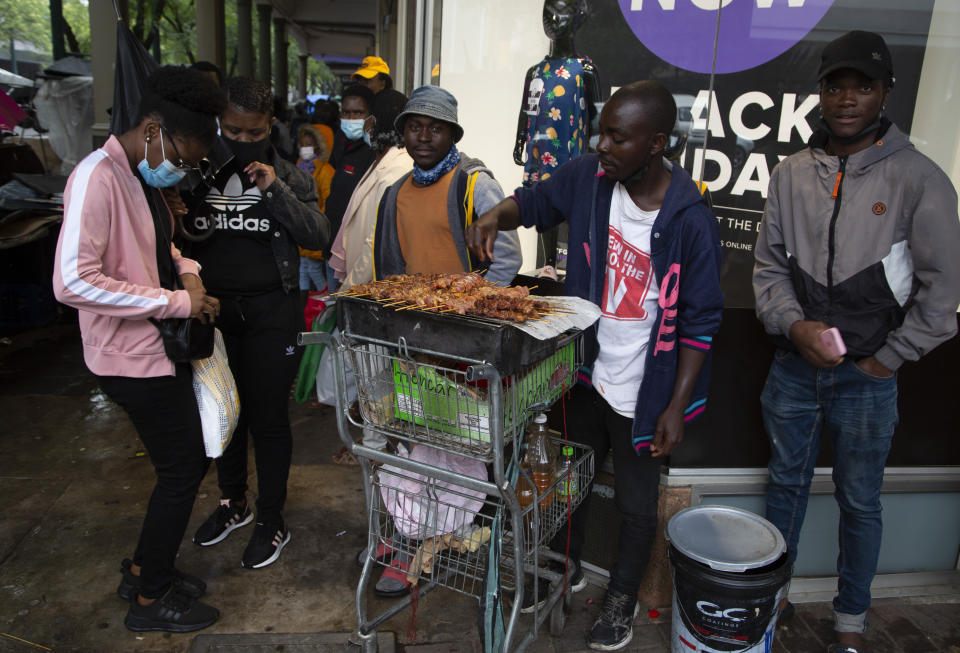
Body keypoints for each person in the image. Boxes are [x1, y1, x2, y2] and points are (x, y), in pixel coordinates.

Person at [467, 81, 723, 650]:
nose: (601, 145)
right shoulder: (589, 177)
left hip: (647, 390)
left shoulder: (691, 221)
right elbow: (532, 202)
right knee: (567, 484)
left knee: (635, 507)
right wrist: (493, 217)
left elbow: (701, 324)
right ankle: (564, 570)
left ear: (656, 143)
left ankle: (620, 600)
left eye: (616, 136)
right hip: (582, 372)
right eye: (601, 131)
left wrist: (676, 407)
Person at [752, 31, 960, 653]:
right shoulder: (791, 173)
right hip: (793, 368)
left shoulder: (920, 178)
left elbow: (942, 293)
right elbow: (768, 270)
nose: (847, 98)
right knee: (783, 485)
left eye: (863, 86)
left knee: (860, 500)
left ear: (885, 92)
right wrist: (796, 326)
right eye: (835, 85)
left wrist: (885, 361)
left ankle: (850, 617)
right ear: (819, 92)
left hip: (866, 379)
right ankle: (770, 596)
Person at [52, 66, 225, 633]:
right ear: (153, 129)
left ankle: (143, 567)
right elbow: (73, 283)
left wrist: (191, 275)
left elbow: (162, 247)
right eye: (186, 156)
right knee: (182, 470)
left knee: (184, 464)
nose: (185, 169)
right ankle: (150, 599)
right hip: (128, 358)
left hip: (157, 349)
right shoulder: (95, 177)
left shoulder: (137, 176)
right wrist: (176, 304)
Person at [187, 76, 329, 569]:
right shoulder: (196, 173)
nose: (241, 140)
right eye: (232, 130)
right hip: (216, 313)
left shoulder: (291, 175)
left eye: (252, 133)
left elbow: (318, 235)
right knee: (225, 415)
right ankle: (234, 503)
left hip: (273, 310)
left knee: (268, 418)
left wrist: (275, 193)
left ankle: (272, 518)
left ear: (271, 125)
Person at [327, 89, 411, 465]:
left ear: (377, 124)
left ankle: (376, 450)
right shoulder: (380, 162)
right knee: (370, 375)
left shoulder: (396, 169)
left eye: (367, 119)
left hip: (375, 296)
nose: (363, 125)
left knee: (377, 377)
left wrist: (354, 295)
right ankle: (375, 444)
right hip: (365, 292)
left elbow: (372, 240)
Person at [373, 85, 522, 285]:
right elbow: (389, 267)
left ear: (452, 135)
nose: (424, 137)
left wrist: (473, 302)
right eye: (414, 127)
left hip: (464, 313)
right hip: (411, 312)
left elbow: (508, 258)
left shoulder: (476, 185)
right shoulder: (394, 192)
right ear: (404, 133)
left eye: (436, 129)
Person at [324, 84, 376, 285]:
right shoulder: (339, 143)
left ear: (370, 116)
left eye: (358, 113)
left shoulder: (374, 152)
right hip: (332, 244)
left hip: (356, 251)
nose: (351, 119)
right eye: (346, 112)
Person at [297, 123, 336, 296]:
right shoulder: (298, 165)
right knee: (303, 268)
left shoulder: (325, 171)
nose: (305, 148)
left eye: (309, 144)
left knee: (312, 268)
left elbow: (327, 200)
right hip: (300, 226)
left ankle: (322, 297)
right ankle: (304, 302)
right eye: (302, 144)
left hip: (312, 226)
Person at [351, 55, 407, 120]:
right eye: (359, 81)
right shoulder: (367, 101)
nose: (361, 85)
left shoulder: (389, 104)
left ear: (382, 83)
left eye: (367, 81)